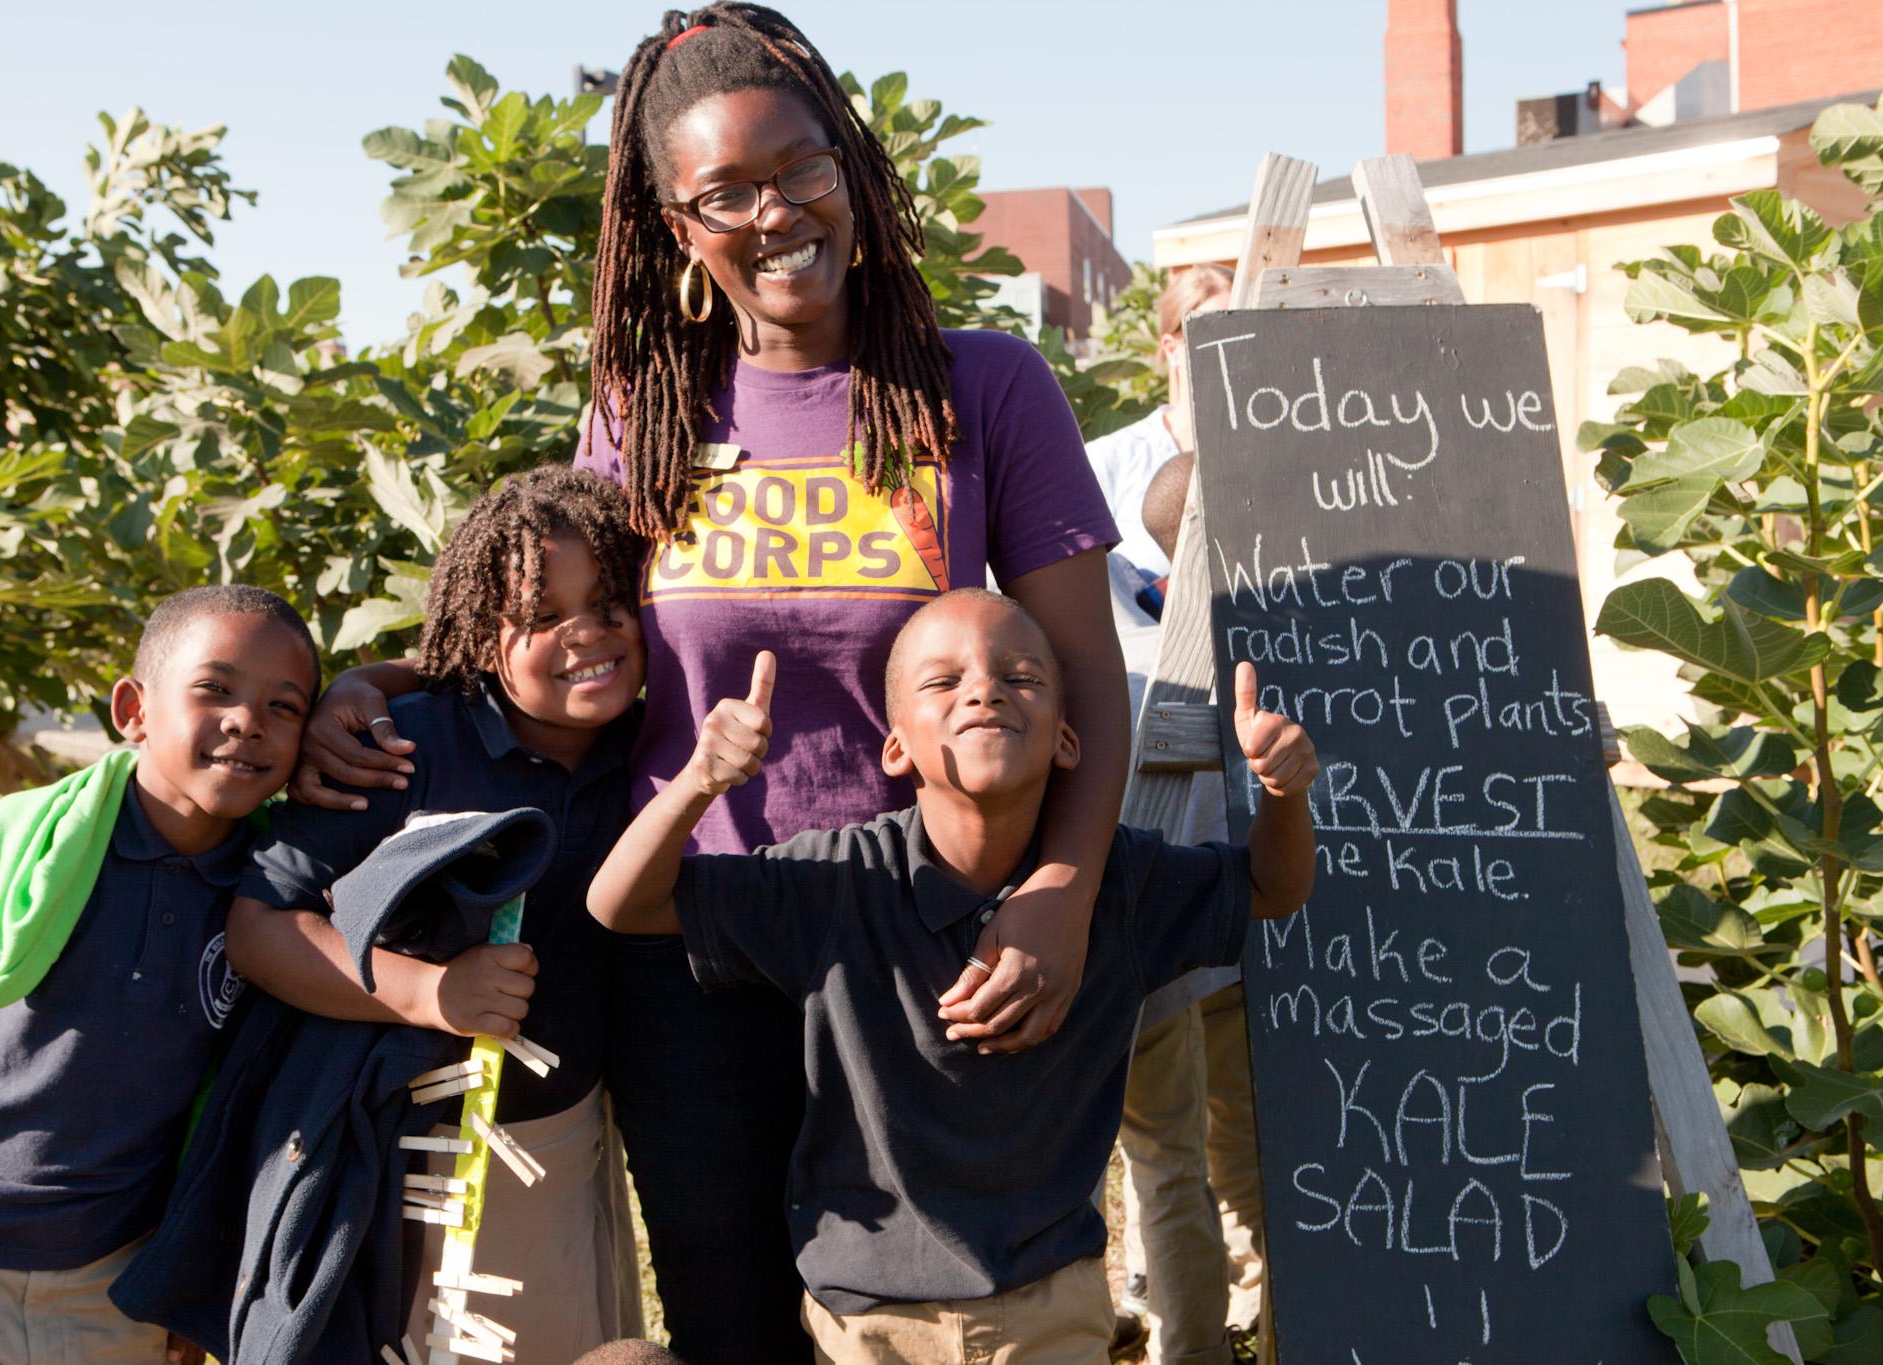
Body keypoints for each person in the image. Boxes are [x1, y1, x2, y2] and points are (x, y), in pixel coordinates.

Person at [295, 8, 1133, 1359]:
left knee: (937, 1314)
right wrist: (377, 676)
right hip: (688, 946)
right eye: (725, 193)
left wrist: (1057, 896)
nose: (775, 213)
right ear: (677, 227)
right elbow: (566, 633)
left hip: (919, 943)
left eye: (800, 168)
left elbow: (1084, 673)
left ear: (851, 168)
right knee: (731, 1321)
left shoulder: (984, 385)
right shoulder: (645, 411)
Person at [586, 589, 1319, 1364]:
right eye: (944, 681)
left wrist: (1284, 796)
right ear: (895, 748)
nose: (984, 690)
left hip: (1053, 1306)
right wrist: (698, 780)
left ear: (1068, 739)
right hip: (870, 1322)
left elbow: (1270, 887)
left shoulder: (1120, 884)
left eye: (1021, 676)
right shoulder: (840, 882)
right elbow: (620, 902)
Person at [216, 468, 649, 1362]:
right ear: (481, 636)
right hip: (393, 1154)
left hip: (556, 1145)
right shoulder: (399, 747)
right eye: (541, 616)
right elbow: (259, 927)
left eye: (609, 602)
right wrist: (429, 992)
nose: (586, 633)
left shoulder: (651, 744)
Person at [0, 585, 320, 1365]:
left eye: (285, 706)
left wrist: (189, 1275)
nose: (247, 720)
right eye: (214, 688)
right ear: (133, 708)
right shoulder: (21, 848)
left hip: (116, 1281)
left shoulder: (274, 896)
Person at [1116, 448, 1271, 1365]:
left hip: (1149, 947)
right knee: (1248, 1158)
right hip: (1239, 936)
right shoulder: (1281, 645)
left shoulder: (1132, 655)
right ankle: (1274, 1322)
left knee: (1166, 1167)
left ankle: (1194, 1351)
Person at [1086, 263, 1232, 616]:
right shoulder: (1113, 458)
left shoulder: (1278, 452)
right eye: (1213, 331)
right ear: (1172, 347)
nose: (1232, 346)